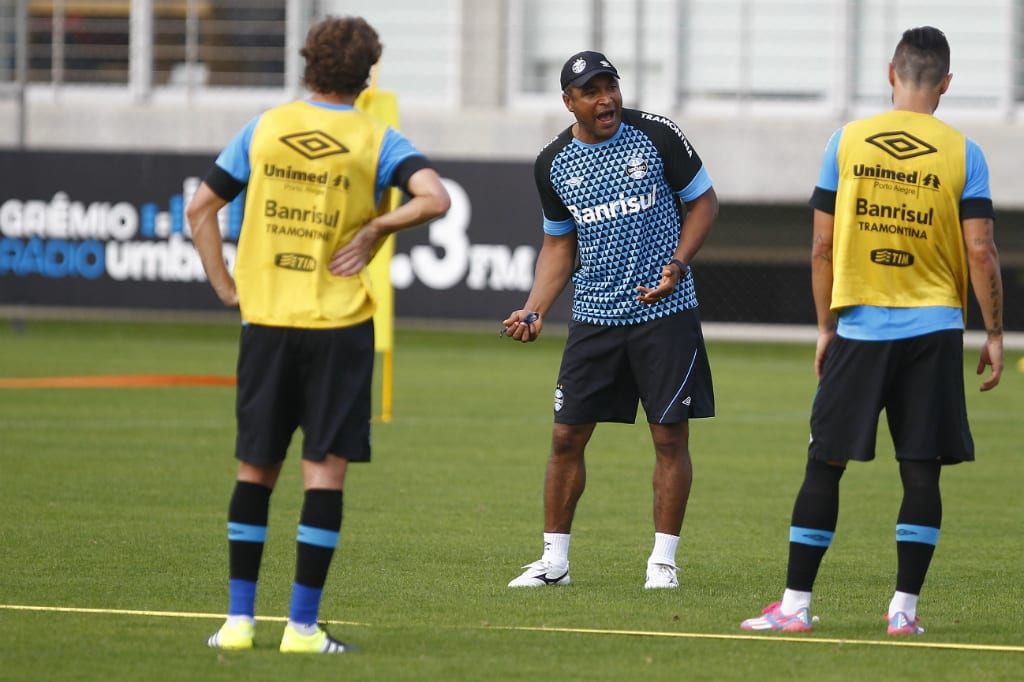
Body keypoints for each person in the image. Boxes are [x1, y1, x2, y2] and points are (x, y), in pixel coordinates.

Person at [186, 16, 450, 654]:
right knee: (322, 478)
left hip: (268, 323)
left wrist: (227, 288)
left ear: (308, 64)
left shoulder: (265, 128)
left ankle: (238, 623)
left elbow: (200, 208)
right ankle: (302, 629)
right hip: (337, 327)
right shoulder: (375, 137)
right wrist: (378, 229)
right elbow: (435, 199)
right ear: (366, 75)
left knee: (255, 472)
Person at [740, 26, 1003, 636]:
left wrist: (825, 326)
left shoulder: (846, 141)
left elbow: (822, 244)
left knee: (825, 463)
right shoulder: (966, 152)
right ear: (945, 84)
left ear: (891, 74)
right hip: (935, 331)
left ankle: (796, 607)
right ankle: (903, 614)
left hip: (858, 328)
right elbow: (983, 250)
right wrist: (993, 331)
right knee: (921, 470)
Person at [502, 51, 718, 590]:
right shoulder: (553, 162)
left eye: (610, 86)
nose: (606, 99)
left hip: (663, 312)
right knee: (565, 436)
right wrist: (534, 308)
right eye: (591, 91)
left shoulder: (657, 133)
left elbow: (705, 202)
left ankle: (662, 562)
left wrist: (678, 264)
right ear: (568, 101)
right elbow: (557, 244)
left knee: (669, 439)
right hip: (595, 318)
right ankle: (554, 562)